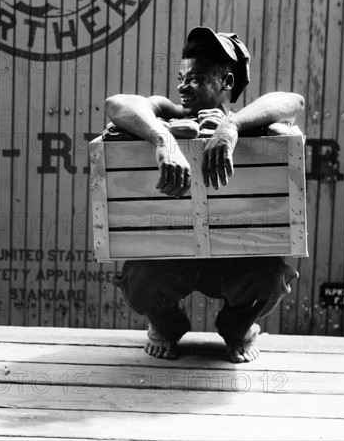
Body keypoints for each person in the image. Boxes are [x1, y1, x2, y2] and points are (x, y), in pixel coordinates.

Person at [104, 26, 304, 362]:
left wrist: (231, 128)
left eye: (195, 77)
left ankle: (237, 328)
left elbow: (293, 101)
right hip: (172, 253)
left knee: (267, 278)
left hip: (236, 255)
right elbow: (117, 104)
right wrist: (163, 139)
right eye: (181, 76)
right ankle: (166, 327)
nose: (183, 86)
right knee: (140, 280)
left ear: (226, 82)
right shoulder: (168, 114)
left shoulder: (249, 123)